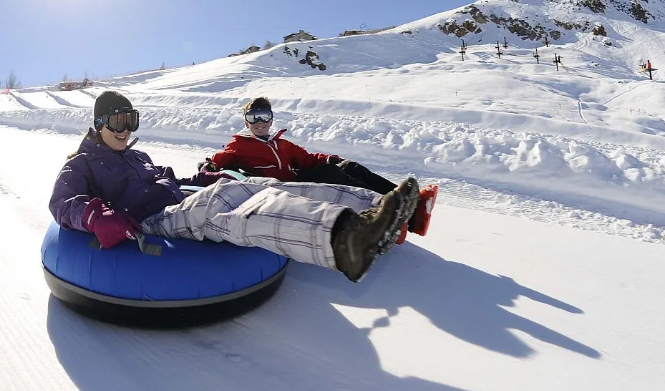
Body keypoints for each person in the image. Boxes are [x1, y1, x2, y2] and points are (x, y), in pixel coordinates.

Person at [49, 91, 420, 283]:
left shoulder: (138, 154)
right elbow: (62, 202)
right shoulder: (80, 163)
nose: (125, 129)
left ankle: (378, 208)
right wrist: (97, 213)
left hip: (176, 203)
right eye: (117, 121)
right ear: (99, 123)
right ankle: (344, 239)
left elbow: (173, 180)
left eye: (131, 120)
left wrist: (207, 177)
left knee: (264, 184)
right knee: (224, 206)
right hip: (150, 222)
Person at [200, 96, 438, 240]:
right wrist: (208, 165)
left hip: (296, 181)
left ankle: (410, 204)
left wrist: (331, 158)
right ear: (246, 122)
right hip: (278, 191)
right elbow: (217, 162)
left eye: (264, 116)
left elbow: (307, 159)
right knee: (328, 174)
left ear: (271, 119)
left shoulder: (282, 143)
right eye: (254, 117)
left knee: (348, 166)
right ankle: (385, 210)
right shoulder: (239, 144)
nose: (260, 123)